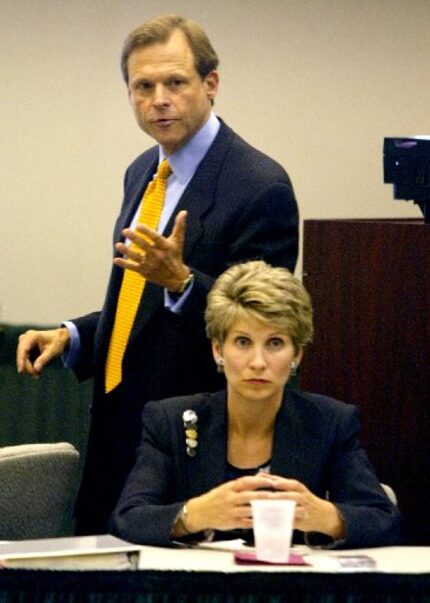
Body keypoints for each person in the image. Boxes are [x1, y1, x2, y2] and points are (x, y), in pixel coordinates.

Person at [16, 14, 299, 534]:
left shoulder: (260, 186)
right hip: (116, 435)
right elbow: (141, 305)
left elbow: (263, 325)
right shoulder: (144, 169)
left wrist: (183, 282)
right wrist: (75, 335)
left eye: (175, 82)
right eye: (143, 86)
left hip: (194, 450)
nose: (159, 99)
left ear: (210, 84)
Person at [111, 260, 402, 548]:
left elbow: (385, 521)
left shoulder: (330, 422)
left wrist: (325, 517)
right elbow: (127, 520)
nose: (258, 362)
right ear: (217, 350)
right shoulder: (171, 421)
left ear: (297, 354)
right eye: (242, 342)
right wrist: (194, 515)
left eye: (275, 343)